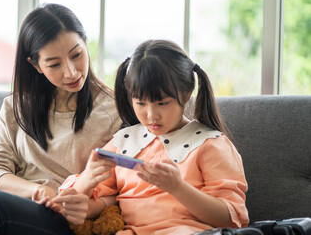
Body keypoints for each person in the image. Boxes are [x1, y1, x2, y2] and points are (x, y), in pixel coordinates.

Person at [0, 3, 122, 235]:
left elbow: (129, 187)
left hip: (75, 220)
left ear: (85, 44)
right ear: (36, 65)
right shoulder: (15, 108)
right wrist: (38, 192)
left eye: (76, 55)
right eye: (55, 64)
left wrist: (86, 205)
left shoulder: (115, 108)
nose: (71, 72)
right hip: (28, 208)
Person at [59, 39, 249, 234]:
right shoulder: (123, 142)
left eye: (162, 103)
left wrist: (178, 188)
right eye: (140, 103)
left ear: (186, 94)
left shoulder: (210, 144)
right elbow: (71, 203)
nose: (151, 115)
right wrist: (88, 179)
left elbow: (232, 218)